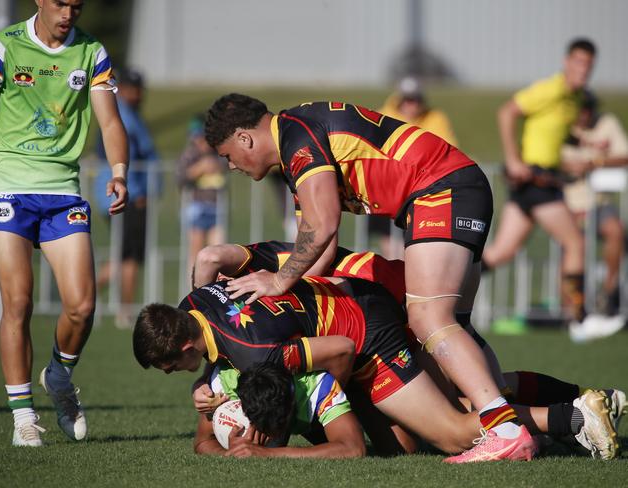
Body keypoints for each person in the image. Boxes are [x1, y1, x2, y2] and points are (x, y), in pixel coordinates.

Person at [203, 93, 527, 462]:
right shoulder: (297, 139)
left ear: (245, 138)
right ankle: (527, 424)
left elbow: (323, 225)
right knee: (455, 328)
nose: (230, 166)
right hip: (451, 186)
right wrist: (288, 299)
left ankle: (504, 430)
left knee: (428, 318)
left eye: (227, 155)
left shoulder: (297, 137)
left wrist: (277, 282)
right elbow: (319, 249)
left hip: (439, 189)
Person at [133, 277, 622, 461]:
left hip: (367, 336)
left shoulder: (255, 353)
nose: (168, 374)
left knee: (450, 432)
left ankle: (574, 415)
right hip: (353, 306)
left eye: (168, 364)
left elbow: (340, 352)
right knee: (412, 438)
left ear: (183, 343)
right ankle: (574, 395)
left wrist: (328, 407)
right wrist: (203, 381)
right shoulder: (193, 303)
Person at [193, 239, 627, 431]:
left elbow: (211, 255)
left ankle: (574, 415)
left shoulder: (272, 271)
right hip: (405, 289)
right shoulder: (269, 260)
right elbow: (213, 256)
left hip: (393, 304)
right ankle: (587, 398)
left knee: (458, 415)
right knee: (484, 388)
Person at [0, 0, 128, 447]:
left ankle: (59, 375)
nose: (68, 13)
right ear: (39, 1)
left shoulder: (91, 53)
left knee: (82, 307)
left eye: (77, 6)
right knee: (18, 302)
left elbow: (110, 122)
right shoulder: (1, 48)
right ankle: (24, 418)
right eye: (60, 3)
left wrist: (118, 173)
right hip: (7, 185)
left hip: (63, 190)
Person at [482, 38, 623, 337]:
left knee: (499, 253)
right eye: (579, 62)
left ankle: (444, 290)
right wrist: (512, 158)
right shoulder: (550, 89)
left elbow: (557, 132)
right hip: (535, 180)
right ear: (566, 62)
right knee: (575, 243)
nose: (583, 69)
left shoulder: (576, 98)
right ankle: (580, 321)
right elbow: (506, 113)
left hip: (539, 181)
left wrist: (582, 147)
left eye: (589, 65)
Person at [94, 67, 158, 328]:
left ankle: (90, 297)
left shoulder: (125, 113)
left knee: (125, 254)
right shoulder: (125, 116)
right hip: (127, 195)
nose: (137, 94)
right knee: (127, 256)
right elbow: (134, 153)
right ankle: (118, 308)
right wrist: (143, 191)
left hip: (115, 194)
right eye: (133, 88)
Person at [194, 362, 367, 458]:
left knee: (390, 447)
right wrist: (229, 453)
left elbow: (353, 448)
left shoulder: (318, 386)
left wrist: (266, 453)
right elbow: (202, 442)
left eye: (268, 427)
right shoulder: (227, 385)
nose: (262, 434)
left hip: (364, 370)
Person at [370, 76, 459, 259]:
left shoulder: (436, 118)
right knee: (393, 253)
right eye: (408, 100)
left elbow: (449, 150)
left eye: (416, 99)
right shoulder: (383, 116)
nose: (412, 105)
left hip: (420, 193)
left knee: (416, 250)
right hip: (387, 191)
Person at [561, 90, 628, 329]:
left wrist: (594, 163)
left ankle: (608, 292)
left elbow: (624, 154)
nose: (584, 116)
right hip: (568, 204)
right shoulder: (560, 125)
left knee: (615, 230)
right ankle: (572, 313)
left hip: (598, 202)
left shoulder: (607, 122)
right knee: (572, 249)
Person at [176, 116, 227, 275]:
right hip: (196, 207)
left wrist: (215, 166)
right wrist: (198, 169)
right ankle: (193, 288)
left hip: (217, 207)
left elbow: (226, 167)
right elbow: (180, 178)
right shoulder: (189, 155)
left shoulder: (218, 154)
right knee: (196, 252)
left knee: (218, 251)